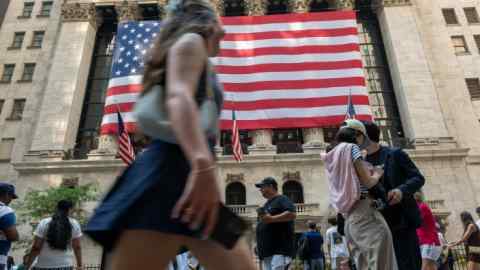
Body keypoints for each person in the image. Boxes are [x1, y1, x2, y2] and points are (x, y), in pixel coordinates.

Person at [84, 1, 256, 270]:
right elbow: (179, 97)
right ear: (204, 23)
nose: (223, 33)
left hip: (187, 180)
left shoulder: (196, 55)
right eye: (218, 23)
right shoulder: (192, 41)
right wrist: (202, 163)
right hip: (169, 177)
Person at [322, 122, 398, 270]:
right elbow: (368, 182)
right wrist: (377, 174)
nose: (364, 144)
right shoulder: (352, 148)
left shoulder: (332, 155)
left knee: (363, 264)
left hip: (350, 219)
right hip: (366, 214)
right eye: (363, 138)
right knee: (382, 264)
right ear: (357, 134)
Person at [362, 121, 425, 270]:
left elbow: (418, 178)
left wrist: (401, 190)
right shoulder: (359, 162)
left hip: (401, 221)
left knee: (407, 264)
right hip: (375, 225)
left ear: (365, 137)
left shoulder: (395, 154)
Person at [23, 200, 82, 270]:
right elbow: (77, 247)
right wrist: (79, 265)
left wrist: (27, 266)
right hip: (65, 265)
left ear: (56, 208)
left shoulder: (44, 223)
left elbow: (36, 247)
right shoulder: (74, 224)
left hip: (43, 266)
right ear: (70, 210)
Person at [255, 177, 296, 270]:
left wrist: (272, 219)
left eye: (262, 187)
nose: (260, 190)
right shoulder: (266, 204)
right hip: (267, 252)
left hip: (280, 250)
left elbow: (292, 214)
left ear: (271, 186)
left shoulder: (282, 199)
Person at [414, 192, 441, 270]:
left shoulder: (422, 207)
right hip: (425, 242)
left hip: (429, 241)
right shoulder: (419, 207)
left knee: (423, 267)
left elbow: (416, 221)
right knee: (431, 267)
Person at [0, 183, 19, 270]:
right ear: (7, 195)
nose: (11, 200)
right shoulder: (4, 210)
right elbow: (13, 236)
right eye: (11, 197)